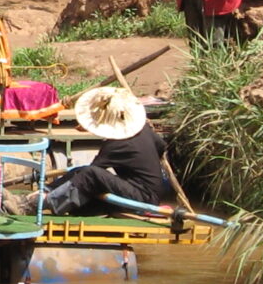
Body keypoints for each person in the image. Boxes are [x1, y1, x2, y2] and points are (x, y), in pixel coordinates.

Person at [18, 87, 167, 216]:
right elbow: (161, 146)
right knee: (81, 174)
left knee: (90, 173)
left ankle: (42, 202)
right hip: (139, 189)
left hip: (144, 199)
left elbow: (92, 173)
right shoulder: (144, 129)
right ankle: (44, 191)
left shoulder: (117, 144)